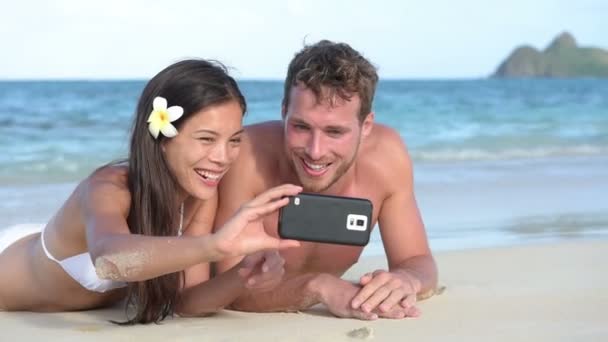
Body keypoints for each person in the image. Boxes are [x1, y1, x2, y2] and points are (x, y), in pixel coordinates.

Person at [0, 59, 302, 324]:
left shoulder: (199, 196)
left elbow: (186, 302)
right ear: (162, 137)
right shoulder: (108, 187)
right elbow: (110, 262)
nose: (224, 157)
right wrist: (215, 246)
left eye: (234, 140)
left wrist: (243, 276)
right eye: (206, 139)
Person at [214, 40, 438, 320]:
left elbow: (417, 261)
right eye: (301, 127)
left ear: (365, 126)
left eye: (334, 131)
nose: (315, 151)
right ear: (284, 112)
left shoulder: (386, 157)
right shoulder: (248, 155)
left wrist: (406, 280)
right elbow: (226, 290)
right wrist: (318, 286)